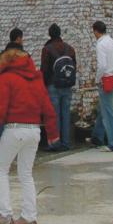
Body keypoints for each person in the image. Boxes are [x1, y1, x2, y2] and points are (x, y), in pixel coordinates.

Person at [0, 47, 58, 224]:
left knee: (1, 169)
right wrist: (52, 133)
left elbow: (0, 108)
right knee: (26, 174)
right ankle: (29, 216)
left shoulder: (7, 78)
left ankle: (5, 213)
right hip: (34, 131)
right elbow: (48, 108)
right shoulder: (37, 78)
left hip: (14, 130)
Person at [91, 20, 113, 152]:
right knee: (104, 109)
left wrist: (97, 79)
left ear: (96, 31)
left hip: (106, 81)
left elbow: (102, 66)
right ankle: (97, 137)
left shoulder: (100, 44)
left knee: (107, 113)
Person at [40, 23, 77, 151]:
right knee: (66, 114)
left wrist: (44, 85)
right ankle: (66, 143)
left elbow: (44, 70)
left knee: (54, 116)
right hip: (67, 85)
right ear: (60, 33)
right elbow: (74, 67)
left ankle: (55, 143)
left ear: (49, 34)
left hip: (53, 86)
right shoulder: (70, 49)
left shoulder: (47, 49)